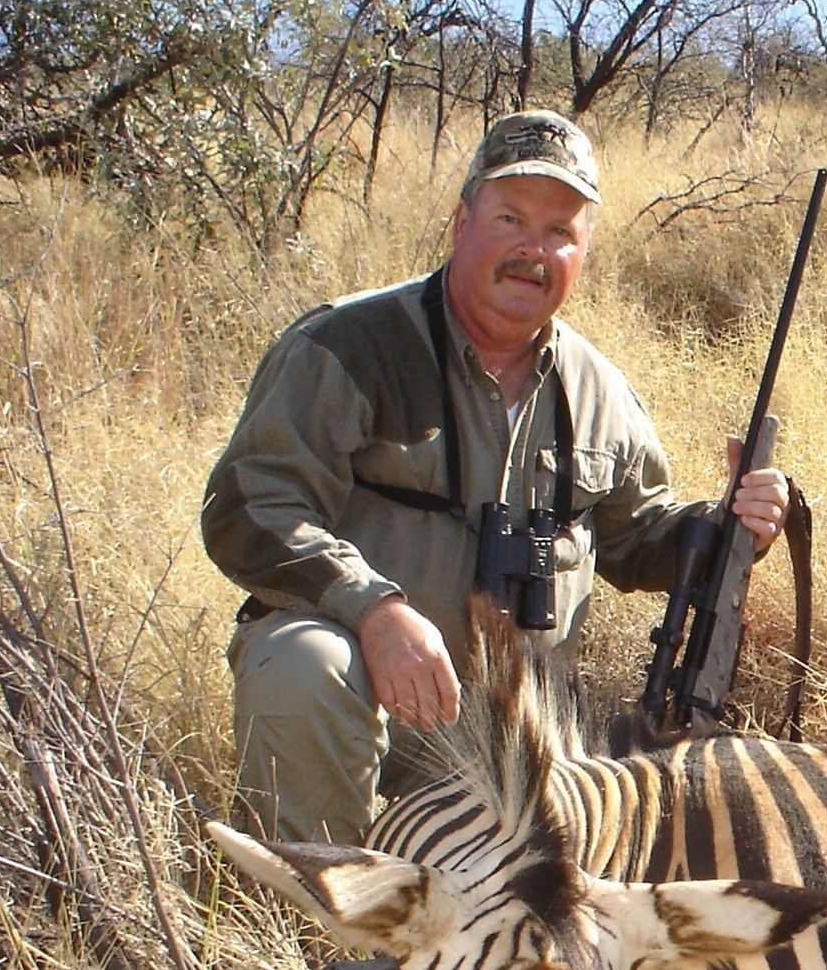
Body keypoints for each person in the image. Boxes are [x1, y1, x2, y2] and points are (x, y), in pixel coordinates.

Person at [203, 110, 789, 846]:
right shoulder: (346, 345)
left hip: (516, 739)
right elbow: (249, 508)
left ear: (583, 251)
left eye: (560, 232)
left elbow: (643, 540)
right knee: (304, 664)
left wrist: (735, 523)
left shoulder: (600, 391)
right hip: (372, 692)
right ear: (460, 222)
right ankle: (318, 919)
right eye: (511, 218)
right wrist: (374, 612)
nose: (532, 250)